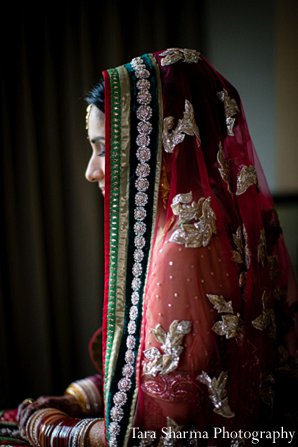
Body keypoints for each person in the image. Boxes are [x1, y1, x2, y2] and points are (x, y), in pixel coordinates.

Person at [2, 48, 298, 446]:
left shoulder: (180, 247)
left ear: (155, 146)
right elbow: (173, 370)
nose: (91, 171)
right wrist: (78, 396)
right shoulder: (217, 225)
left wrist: (48, 427)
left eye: (104, 148)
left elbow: (157, 433)